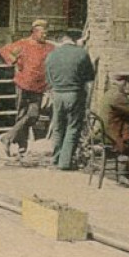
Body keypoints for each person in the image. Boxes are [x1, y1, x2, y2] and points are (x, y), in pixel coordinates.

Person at [0, 20, 54, 157]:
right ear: (34, 32)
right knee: (22, 115)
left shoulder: (50, 47)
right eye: (42, 33)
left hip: (39, 86)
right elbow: (4, 50)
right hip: (23, 84)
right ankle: (22, 146)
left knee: (33, 116)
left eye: (46, 33)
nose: (44, 36)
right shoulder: (24, 44)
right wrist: (15, 61)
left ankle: (8, 137)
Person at [45, 31, 95, 170]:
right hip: (74, 93)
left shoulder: (51, 55)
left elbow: (48, 78)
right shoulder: (81, 53)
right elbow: (90, 76)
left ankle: (55, 159)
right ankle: (65, 163)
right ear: (75, 40)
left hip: (57, 94)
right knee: (72, 127)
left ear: (61, 40)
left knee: (58, 127)